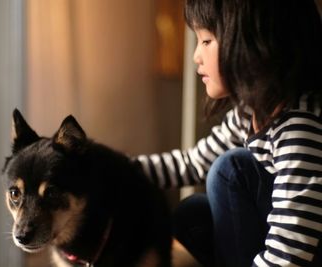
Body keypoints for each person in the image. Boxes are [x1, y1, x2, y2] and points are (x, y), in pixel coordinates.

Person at [135, 0, 322, 266]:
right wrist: (118, 170)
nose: (195, 56)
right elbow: (194, 162)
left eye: (206, 41)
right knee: (193, 214)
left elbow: (289, 254)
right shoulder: (251, 111)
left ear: (253, 41)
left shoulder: (299, 128)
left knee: (231, 169)